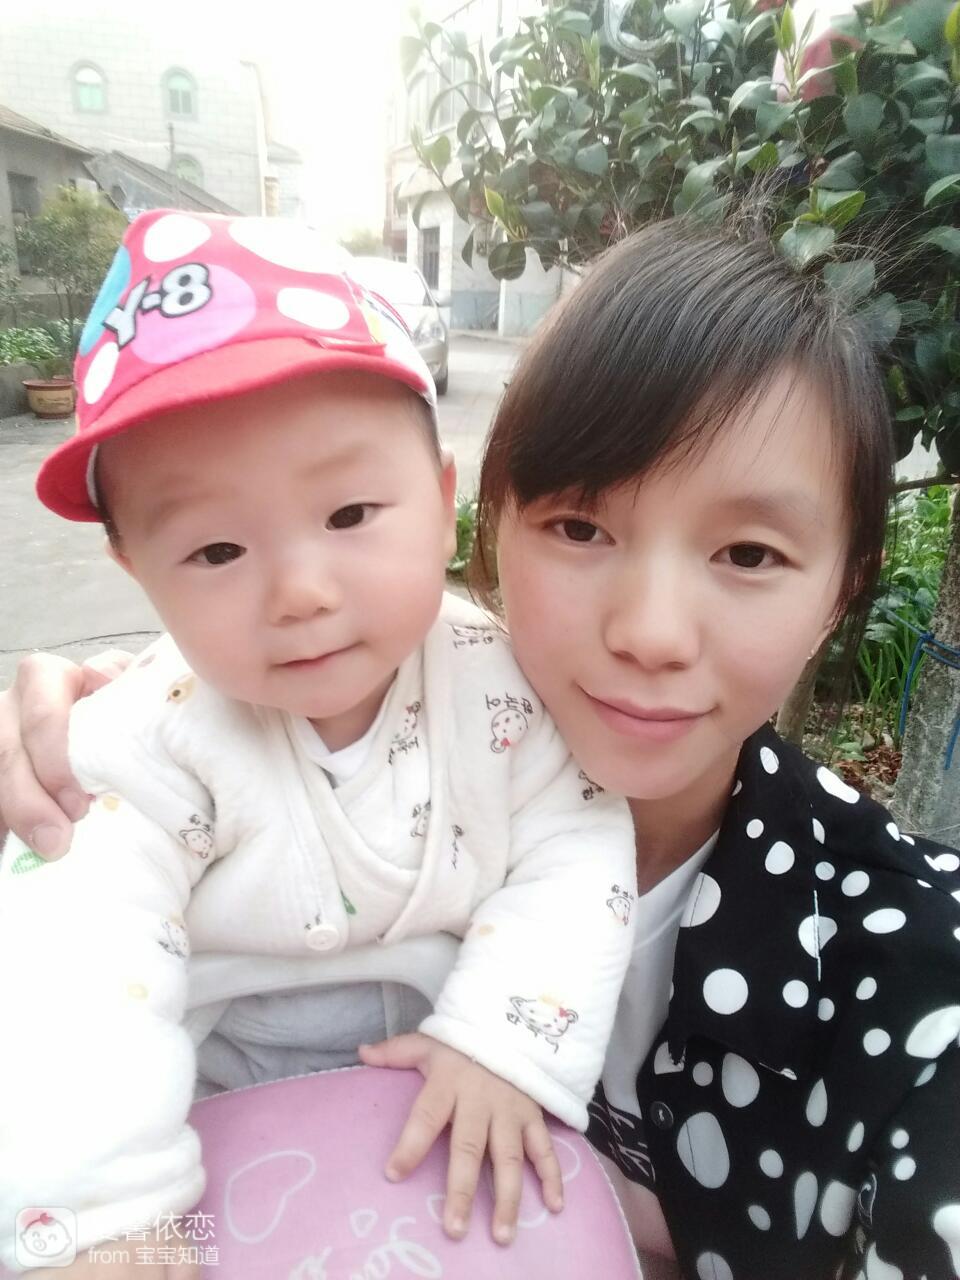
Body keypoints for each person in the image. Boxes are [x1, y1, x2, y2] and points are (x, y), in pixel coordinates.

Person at [4, 216, 960, 1280]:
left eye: (748, 552)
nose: (651, 633)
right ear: (486, 525)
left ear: (845, 586)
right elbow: (71, 965)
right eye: (581, 529)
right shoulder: (142, 757)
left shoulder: (913, 973)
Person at [0, 209, 639, 1276]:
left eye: (349, 515)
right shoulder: (148, 737)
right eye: (215, 549)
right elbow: (72, 956)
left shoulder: (501, 686)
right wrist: (103, 1207)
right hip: (198, 1117)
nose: (300, 591)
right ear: (136, 571)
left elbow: (574, 849)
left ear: (443, 502)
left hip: (447, 1088)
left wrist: (503, 1043)